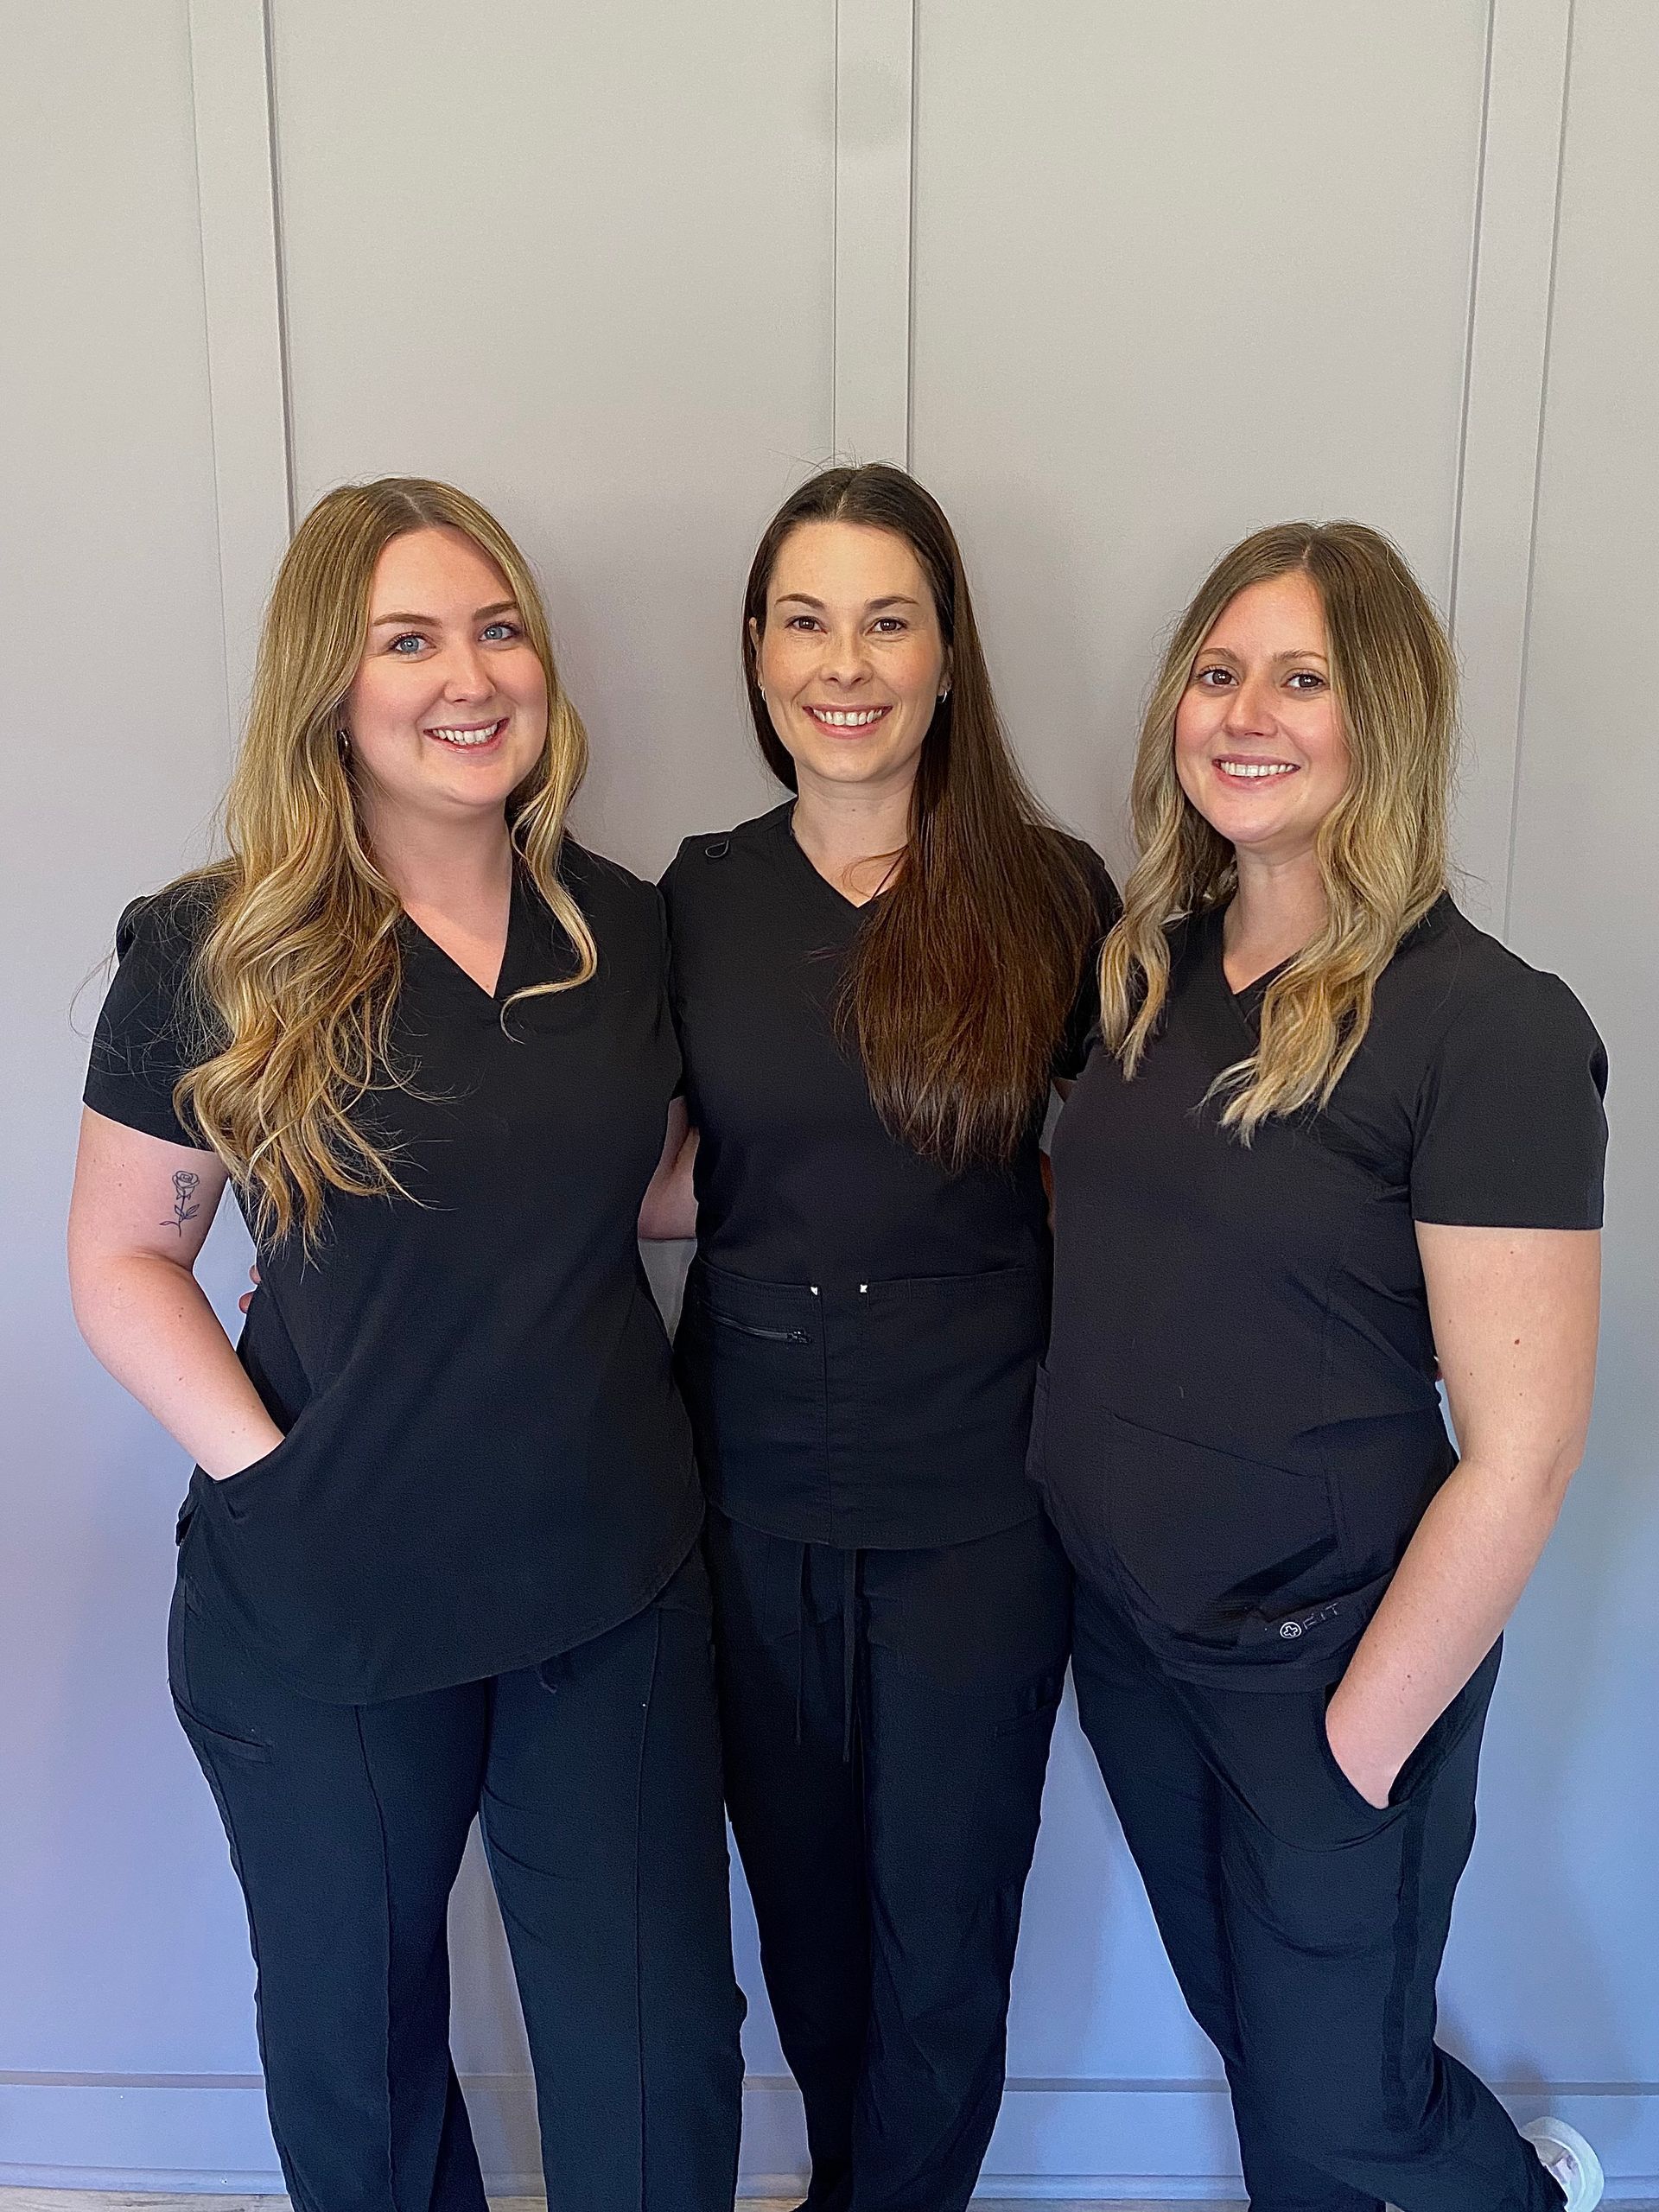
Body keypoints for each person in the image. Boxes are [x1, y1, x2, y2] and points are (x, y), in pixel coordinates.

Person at [67, 479, 744, 2212]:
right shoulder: (218, 945)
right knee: (358, 2065)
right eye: (410, 640)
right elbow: (127, 1256)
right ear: (332, 686)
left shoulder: (620, 927)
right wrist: (272, 1478)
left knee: (655, 2052)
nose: (469, 675)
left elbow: (632, 1185)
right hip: (327, 1587)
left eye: (499, 630)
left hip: (607, 1569)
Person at [1038, 521, 1608, 2212]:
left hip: (1328, 1658)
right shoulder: (1145, 974)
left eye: (1303, 678)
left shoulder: (1487, 1027)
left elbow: (1523, 1452)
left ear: (1387, 721)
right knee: (1263, 2047)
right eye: (1219, 672)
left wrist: (1355, 1744)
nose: (1246, 712)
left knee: (1346, 2108)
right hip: (1132, 1635)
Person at [643, 463, 1116, 2212]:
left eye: (887, 621)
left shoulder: (1051, 894)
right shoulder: (690, 899)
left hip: (983, 1501)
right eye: (807, 620)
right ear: (758, 652)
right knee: (806, 1926)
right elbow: (647, 1173)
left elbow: (1131, 1183)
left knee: (943, 1939)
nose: (845, 663)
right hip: (747, 1489)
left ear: (945, 654)